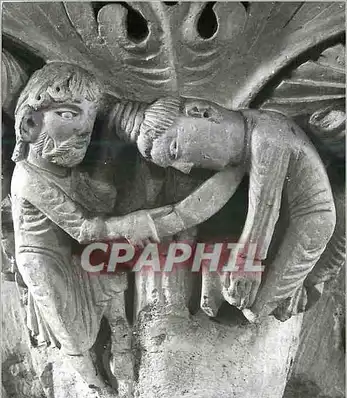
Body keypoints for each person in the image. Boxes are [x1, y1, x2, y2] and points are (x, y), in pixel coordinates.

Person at [111, 97, 336, 321]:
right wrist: (126, 226)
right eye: (173, 164)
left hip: (311, 222)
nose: (186, 168)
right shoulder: (242, 144)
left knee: (255, 309)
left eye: (175, 149)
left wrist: (247, 262)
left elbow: (265, 205)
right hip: (280, 223)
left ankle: (297, 293)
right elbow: (195, 207)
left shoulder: (267, 134)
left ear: (200, 111)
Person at [11, 62, 160, 392]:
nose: (83, 130)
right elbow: (82, 227)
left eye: (90, 121)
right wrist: (133, 223)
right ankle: (94, 387)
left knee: (112, 285)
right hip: (45, 261)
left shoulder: (68, 175)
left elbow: (100, 203)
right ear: (29, 121)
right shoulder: (28, 177)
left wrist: (112, 138)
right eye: (68, 114)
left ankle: (122, 345)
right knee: (75, 336)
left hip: (78, 253)